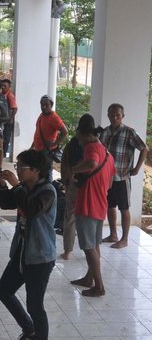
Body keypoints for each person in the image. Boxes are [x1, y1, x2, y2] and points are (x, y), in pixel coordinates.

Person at [0, 149, 56, 340]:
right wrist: (3, 185)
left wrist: (16, 185)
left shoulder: (47, 191)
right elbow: (6, 203)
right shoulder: (26, 187)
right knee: (4, 290)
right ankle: (29, 329)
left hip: (40, 257)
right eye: (18, 166)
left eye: (22, 167)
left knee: (35, 304)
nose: (18, 170)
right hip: (22, 253)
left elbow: (30, 210)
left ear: (36, 171)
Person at [70, 114, 116, 297]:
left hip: (87, 204)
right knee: (94, 244)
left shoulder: (91, 148)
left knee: (88, 247)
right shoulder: (107, 152)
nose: (79, 142)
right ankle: (90, 278)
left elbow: (92, 162)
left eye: (79, 137)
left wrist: (73, 169)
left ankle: (99, 286)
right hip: (100, 204)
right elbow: (110, 183)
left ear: (85, 134)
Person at [100, 103, 149, 249]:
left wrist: (137, 168)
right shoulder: (105, 132)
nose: (114, 117)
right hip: (107, 178)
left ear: (122, 116)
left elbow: (144, 149)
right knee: (109, 206)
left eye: (118, 115)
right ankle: (113, 234)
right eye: (112, 114)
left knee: (124, 207)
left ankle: (125, 239)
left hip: (122, 177)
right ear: (108, 115)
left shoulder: (129, 132)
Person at [59, 135, 83, 259]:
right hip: (90, 187)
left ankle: (67, 252)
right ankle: (93, 249)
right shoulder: (97, 146)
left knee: (70, 217)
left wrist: (66, 183)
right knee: (90, 218)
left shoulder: (72, 143)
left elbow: (65, 165)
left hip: (74, 184)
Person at [1, 78, 18, 157]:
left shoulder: (10, 95)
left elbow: (15, 108)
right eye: (2, 85)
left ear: (9, 87)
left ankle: (4, 152)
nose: (3, 87)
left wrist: (11, 118)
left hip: (8, 121)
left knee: (6, 137)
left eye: (5, 86)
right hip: (3, 120)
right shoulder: (2, 94)